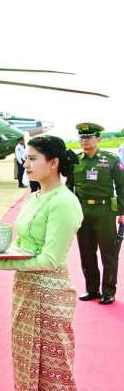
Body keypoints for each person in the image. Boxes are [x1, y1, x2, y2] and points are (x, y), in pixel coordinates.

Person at [0, 135, 82, 391]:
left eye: (32, 159)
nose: (25, 164)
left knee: (55, 375)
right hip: (26, 290)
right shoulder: (35, 196)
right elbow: (23, 245)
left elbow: (50, 260)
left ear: (53, 163)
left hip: (50, 295)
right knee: (27, 368)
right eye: (25, 158)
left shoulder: (65, 202)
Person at [68, 122, 124, 305]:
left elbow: (122, 186)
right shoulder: (76, 161)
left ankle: (108, 291)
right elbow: (69, 189)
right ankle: (92, 289)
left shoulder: (111, 159)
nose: (84, 140)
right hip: (82, 212)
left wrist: (122, 212)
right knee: (86, 253)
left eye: (89, 137)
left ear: (98, 138)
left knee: (109, 254)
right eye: (82, 137)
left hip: (105, 212)